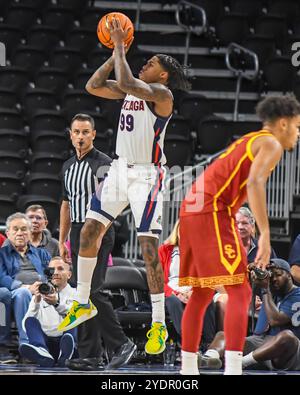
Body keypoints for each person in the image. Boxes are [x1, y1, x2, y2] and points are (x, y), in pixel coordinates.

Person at [58, 17, 191, 357]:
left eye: (151, 63)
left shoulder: (162, 94)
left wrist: (120, 47)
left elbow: (128, 80)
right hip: (119, 168)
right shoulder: (131, 88)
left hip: (148, 175)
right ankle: (83, 301)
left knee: (149, 249)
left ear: (162, 74)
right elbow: (93, 85)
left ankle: (159, 322)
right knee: (88, 231)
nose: (144, 64)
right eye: (143, 61)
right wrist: (115, 51)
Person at [179, 94, 300, 375]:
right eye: (296, 125)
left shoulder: (249, 139)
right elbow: (256, 183)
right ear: (283, 123)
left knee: (202, 292)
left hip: (192, 207)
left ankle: (187, 369)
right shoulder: (270, 142)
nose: (298, 132)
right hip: (212, 210)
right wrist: (266, 234)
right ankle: (233, 369)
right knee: (240, 290)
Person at [59, 113, 136, 370]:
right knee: (81, 297)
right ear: (70, 135)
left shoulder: (105, 164)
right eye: (76, 132)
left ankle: (122, 344)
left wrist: (100, 232)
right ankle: (90, 354)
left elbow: (110, 204)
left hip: (98, 230)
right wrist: (62, 240)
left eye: (85, 132)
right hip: (76, 231)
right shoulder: (67, 165)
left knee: (92, 291)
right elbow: (66, 204)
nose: (80, 136)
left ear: (93, 134)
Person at [199, 259, 300, 371]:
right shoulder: (273, 292)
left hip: (287, 351)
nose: (274, 279)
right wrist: (251, 273)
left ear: (289, 275)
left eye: (278, 275)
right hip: (261, 342)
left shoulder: (297, 294)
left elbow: (275, 320)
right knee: (223, 334)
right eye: (271, 276)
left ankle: (241, 363)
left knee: (287, 336)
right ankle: (208, 359)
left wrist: (265, 289)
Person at [159, 220, 216, 349]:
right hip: (170, 293)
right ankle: (188, 343)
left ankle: (209, 344)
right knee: (173, 301)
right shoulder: (164, 250)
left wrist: (194, 292)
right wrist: (176, 293)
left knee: (206, 300)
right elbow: (157, 281)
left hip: (192, 291)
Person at [0, 213, 51, 345]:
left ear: (29, 232)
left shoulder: (42, 253)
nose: (20, 233)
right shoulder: (2, 254)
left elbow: (49, 275)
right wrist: (27, 288)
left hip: (40, 291)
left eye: (24, 229)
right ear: (8, 233)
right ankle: (27, 343)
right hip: (14, 293)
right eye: (15, 229)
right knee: (23, 293)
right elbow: (2, 278)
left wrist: (43, 287)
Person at [19, 257, 77, 367]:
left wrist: (57, 304)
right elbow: (25, 325)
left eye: (60, 269)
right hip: (47, 343)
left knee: (75, 316)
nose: (55, 272)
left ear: (69, 275)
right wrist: (36, 303)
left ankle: (65, 355)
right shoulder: (41, 292)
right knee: (30, 320)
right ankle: (42, 351)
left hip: (69, 343)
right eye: (52, 269)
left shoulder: (76, 293)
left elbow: (78, 317)